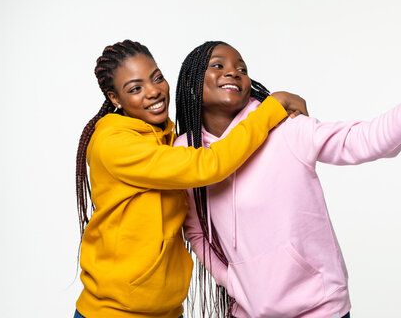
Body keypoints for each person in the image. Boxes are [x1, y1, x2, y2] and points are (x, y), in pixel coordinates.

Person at [175, 17, 401, 318]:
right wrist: (233, 282)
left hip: (319, 310)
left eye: (242, 68)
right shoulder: (185, 152)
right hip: (247, 313)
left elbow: (370, 140)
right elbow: (196, 230)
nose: (233, 73)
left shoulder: (285, 130)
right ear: (190, 82)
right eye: (218, 65)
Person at [73, 39, 307, 318]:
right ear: (114, 99)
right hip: (113, 313)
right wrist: (272, 108)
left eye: (157, 78)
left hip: (168, 311)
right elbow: (209, 166)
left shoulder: (163, 137)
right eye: (135, 89)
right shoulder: (115, 145)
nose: (153, 92)